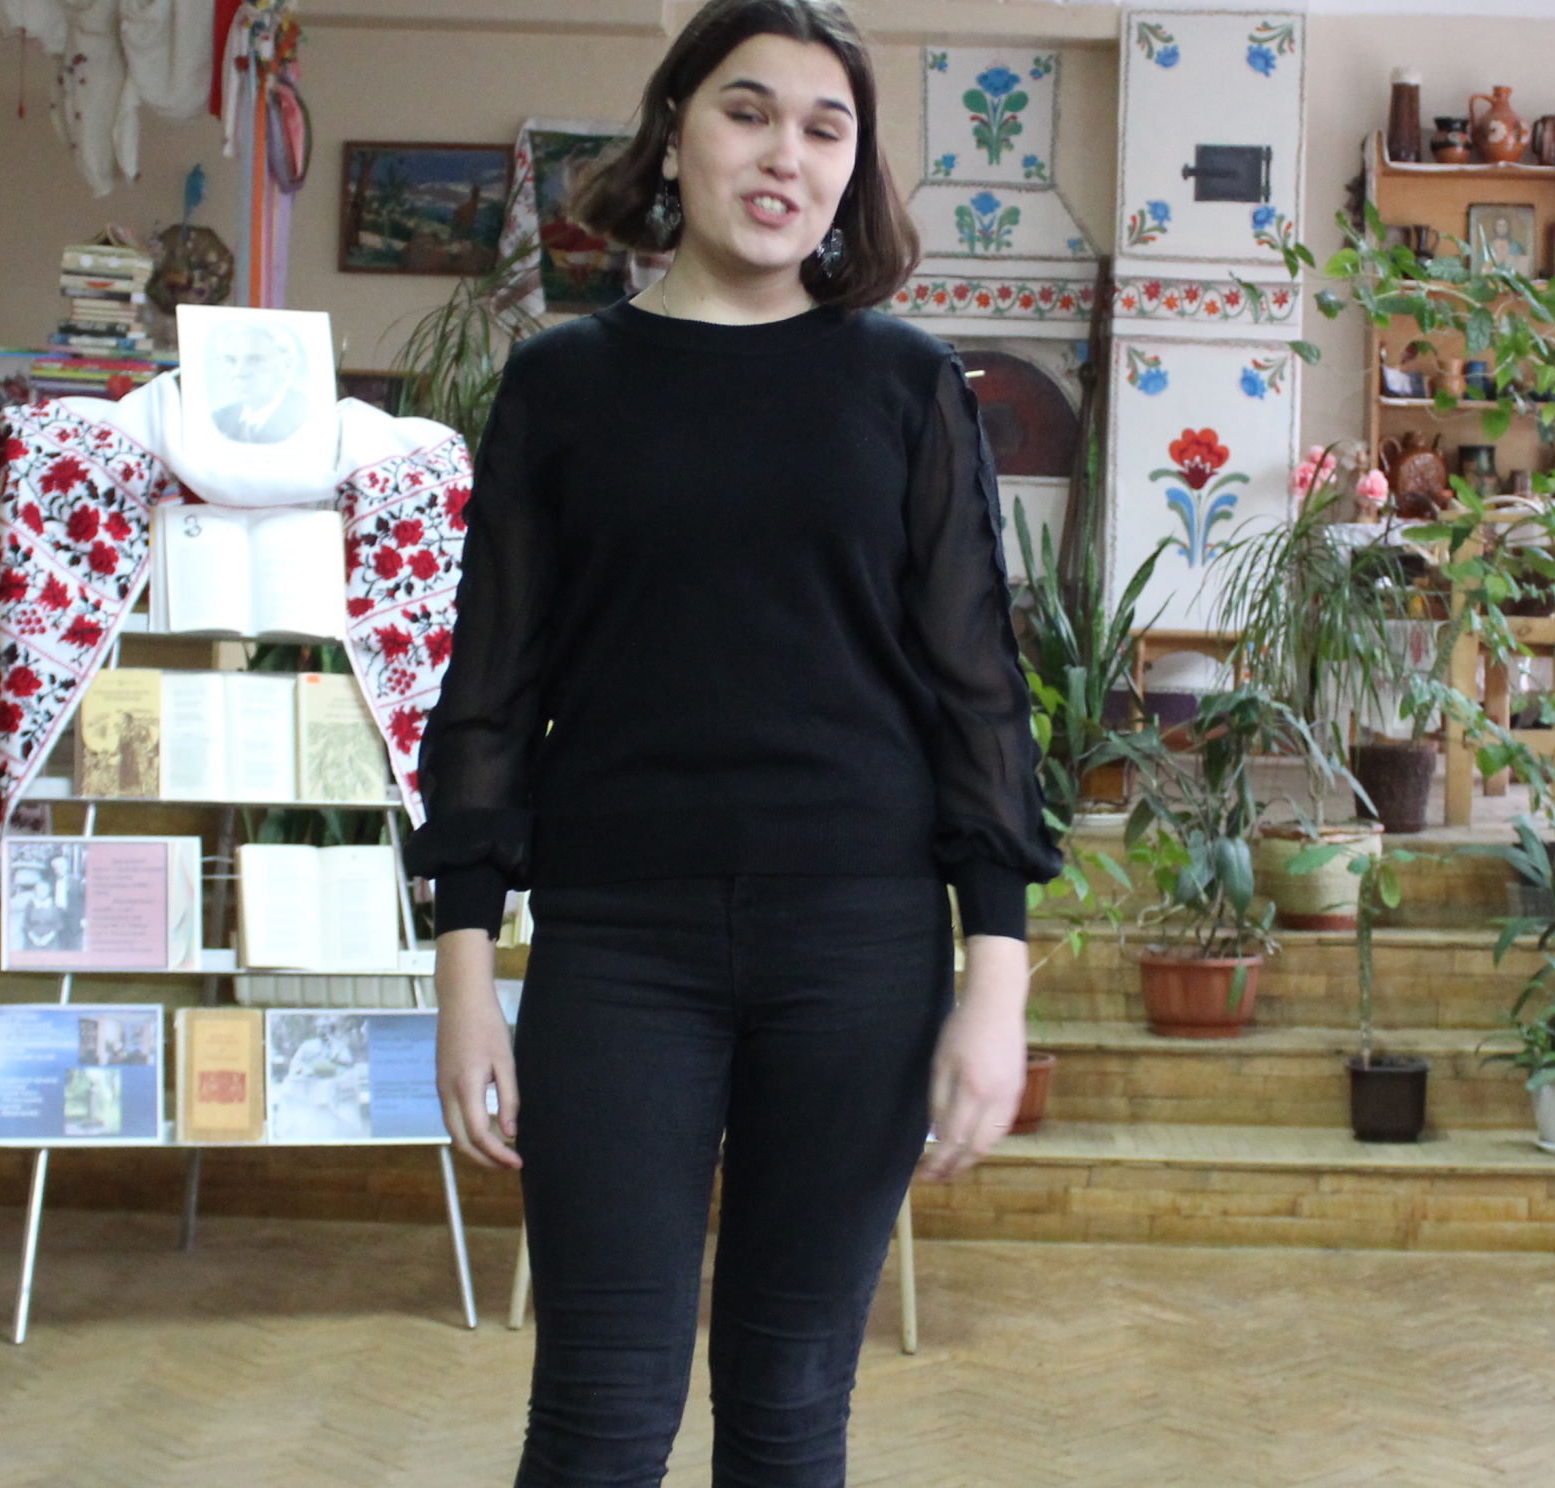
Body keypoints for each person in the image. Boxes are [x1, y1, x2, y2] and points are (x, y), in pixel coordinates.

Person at [399, 2, 1063, 1484]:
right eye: (748, 112)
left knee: (788, 1410)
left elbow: (979, 694)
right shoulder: (563, 387)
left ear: (854, 171)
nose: (785, 157)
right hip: (619, 948)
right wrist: (464, 977)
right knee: (597, 1418)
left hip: (860, 951)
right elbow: (488, 693)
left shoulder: (905, 385)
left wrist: (996, 984)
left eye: (827, 130)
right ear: (672, 136)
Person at [206, 321, 310, 444]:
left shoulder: (309, 415)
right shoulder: (218, 419)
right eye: (230, 360)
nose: (239, 372)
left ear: (287, 365)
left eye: (254, 360)